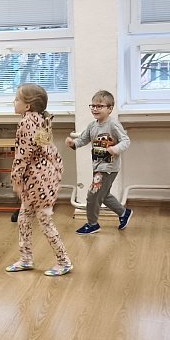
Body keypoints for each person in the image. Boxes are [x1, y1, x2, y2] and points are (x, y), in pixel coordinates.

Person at [6, 84, 72, 277]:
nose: (14, 102)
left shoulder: (27, 122)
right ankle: (26, 258)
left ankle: (64, 261)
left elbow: (23, 155)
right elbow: (46, 148)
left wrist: (16, 178)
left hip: (38, 179)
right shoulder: (41, 119)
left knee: (44, 220)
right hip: (44, 175)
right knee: (24, 218)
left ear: (27, 106)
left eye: (17, 99)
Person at [65, 89, 132, 234]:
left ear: (110, 108)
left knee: (93, 195)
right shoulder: (92, 126)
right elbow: (83, 139)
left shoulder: (113, 124)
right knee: (103, 194)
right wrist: (73, 143)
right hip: (97, 166)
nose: (95, 109)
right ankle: (123, 213)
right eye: (93, 106)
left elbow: (126, 141)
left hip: (108, 167)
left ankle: (92, 223)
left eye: (100, 106)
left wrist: (115, 149)